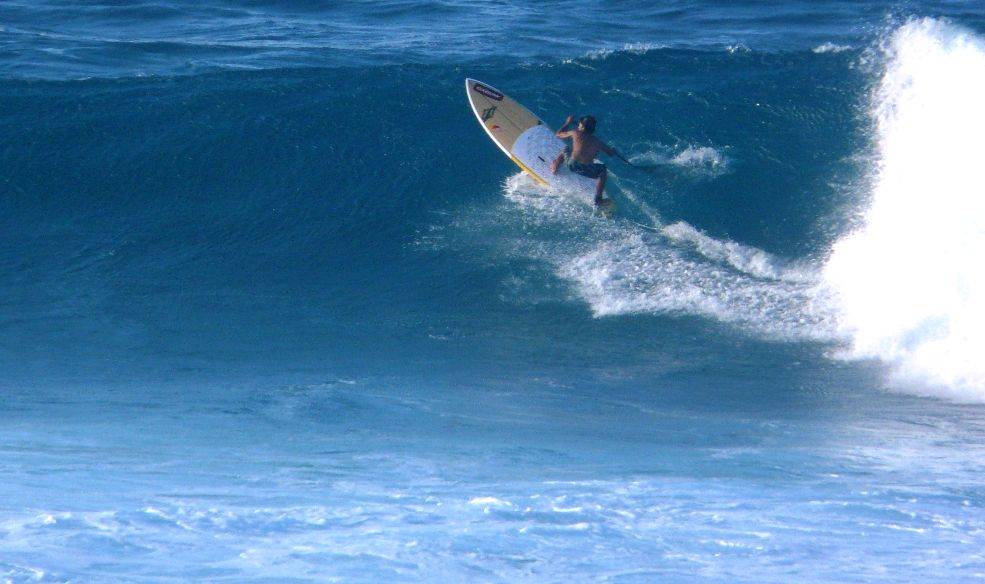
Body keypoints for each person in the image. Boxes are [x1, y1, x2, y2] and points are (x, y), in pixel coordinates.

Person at [550, 115, 630, 207]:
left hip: (571, 165)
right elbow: (610, 153)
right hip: (586, 170)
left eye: (579, 124)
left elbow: (558, 134)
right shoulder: (597, 141)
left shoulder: (575, 133)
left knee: (566, 148)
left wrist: (567, 123)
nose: (578, 125)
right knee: (603, 170)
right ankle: (598, 199)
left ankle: (555, 166)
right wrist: (613, 150)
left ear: (582, 127)